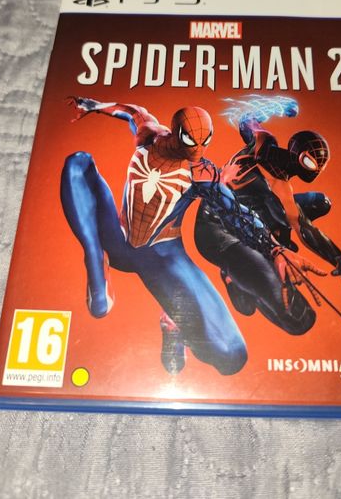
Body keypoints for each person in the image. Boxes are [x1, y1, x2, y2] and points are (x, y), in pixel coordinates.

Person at [61, 97, 318, 375]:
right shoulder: (149, 134)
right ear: (175, 131)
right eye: (191, 140)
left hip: (163, 257)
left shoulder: (200, 173)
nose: (197, 150)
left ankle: (174, 325)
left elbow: (237, 214)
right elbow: (131, 110)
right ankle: (95, 258)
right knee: (78, 162)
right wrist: (92, 105)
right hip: (118, 238)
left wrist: (275, 250)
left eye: (204, 142)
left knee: (233, 357)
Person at [195, 104, 341, 326]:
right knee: (298, 319)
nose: (313, 170)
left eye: (318, 166)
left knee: (319, 202)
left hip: (252, 217)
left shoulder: (271, 163)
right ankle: (231, 274)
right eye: (309, 162)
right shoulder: (270, 164)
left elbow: (304, 227)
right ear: (298, 155)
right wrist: (279, 107)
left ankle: (273, 243)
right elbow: (302, 226)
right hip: (215, 228)